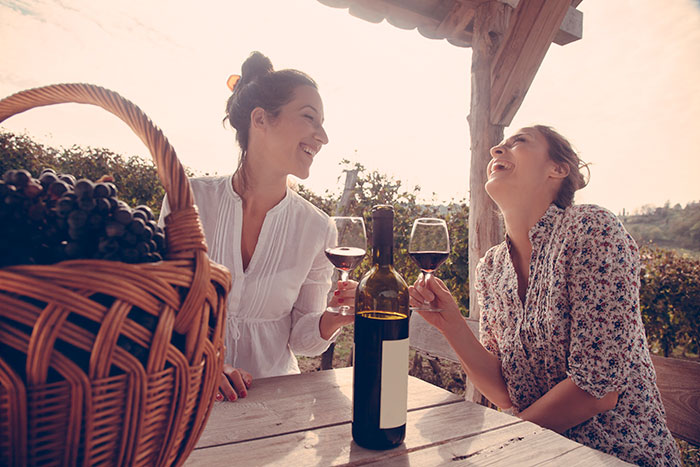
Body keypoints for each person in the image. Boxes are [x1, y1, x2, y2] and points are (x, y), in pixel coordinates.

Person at [409, 125, 681, 466]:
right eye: (499, 145)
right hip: (538, 455)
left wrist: (504, 445)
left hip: (617, 456)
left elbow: (597, 390)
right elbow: (505, 391)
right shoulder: (492, 267)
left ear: (558, 169)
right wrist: (450, 324)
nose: (496, 150)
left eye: (518, 142)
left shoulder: (591, 229)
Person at [159, 51, 355, 402]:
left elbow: (302, 341)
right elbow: (158, 305)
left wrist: (335, 316)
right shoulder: (188, 199)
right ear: (261, 119)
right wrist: (205, 364)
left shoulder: (317, 227)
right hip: (186, 396)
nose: (322, 136)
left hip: (276, 403)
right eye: (310, 118)